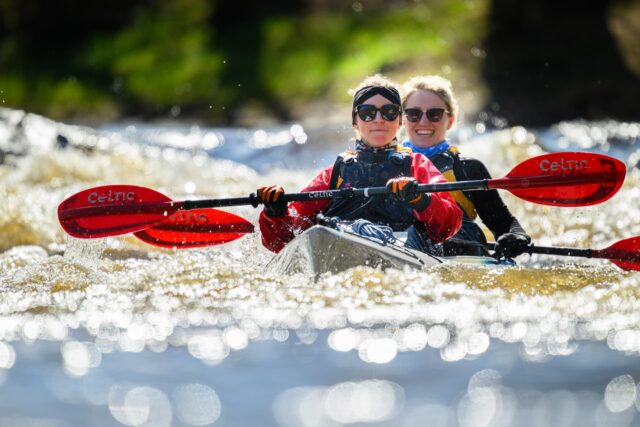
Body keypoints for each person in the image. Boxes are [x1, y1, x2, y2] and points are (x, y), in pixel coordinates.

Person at [257, 74, 462, 254]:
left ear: (400, 121)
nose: (379, 119)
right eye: (367, 113)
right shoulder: (335, 173)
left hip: (405, 249)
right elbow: (281, 242)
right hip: (338, 246)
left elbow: (449, 225)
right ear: (355, 121)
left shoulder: (418, 165)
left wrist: (421, 199)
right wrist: (275, 213)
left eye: (389, 112)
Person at [400, 75, 530, 259]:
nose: (423, 122)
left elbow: (504, 224)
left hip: (460, 253)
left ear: (450, 120)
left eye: (434, 114)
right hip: (401, 247)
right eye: (414, 114)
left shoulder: (468, 169)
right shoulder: (385, 164)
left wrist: (515, 236)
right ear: (403, 120)